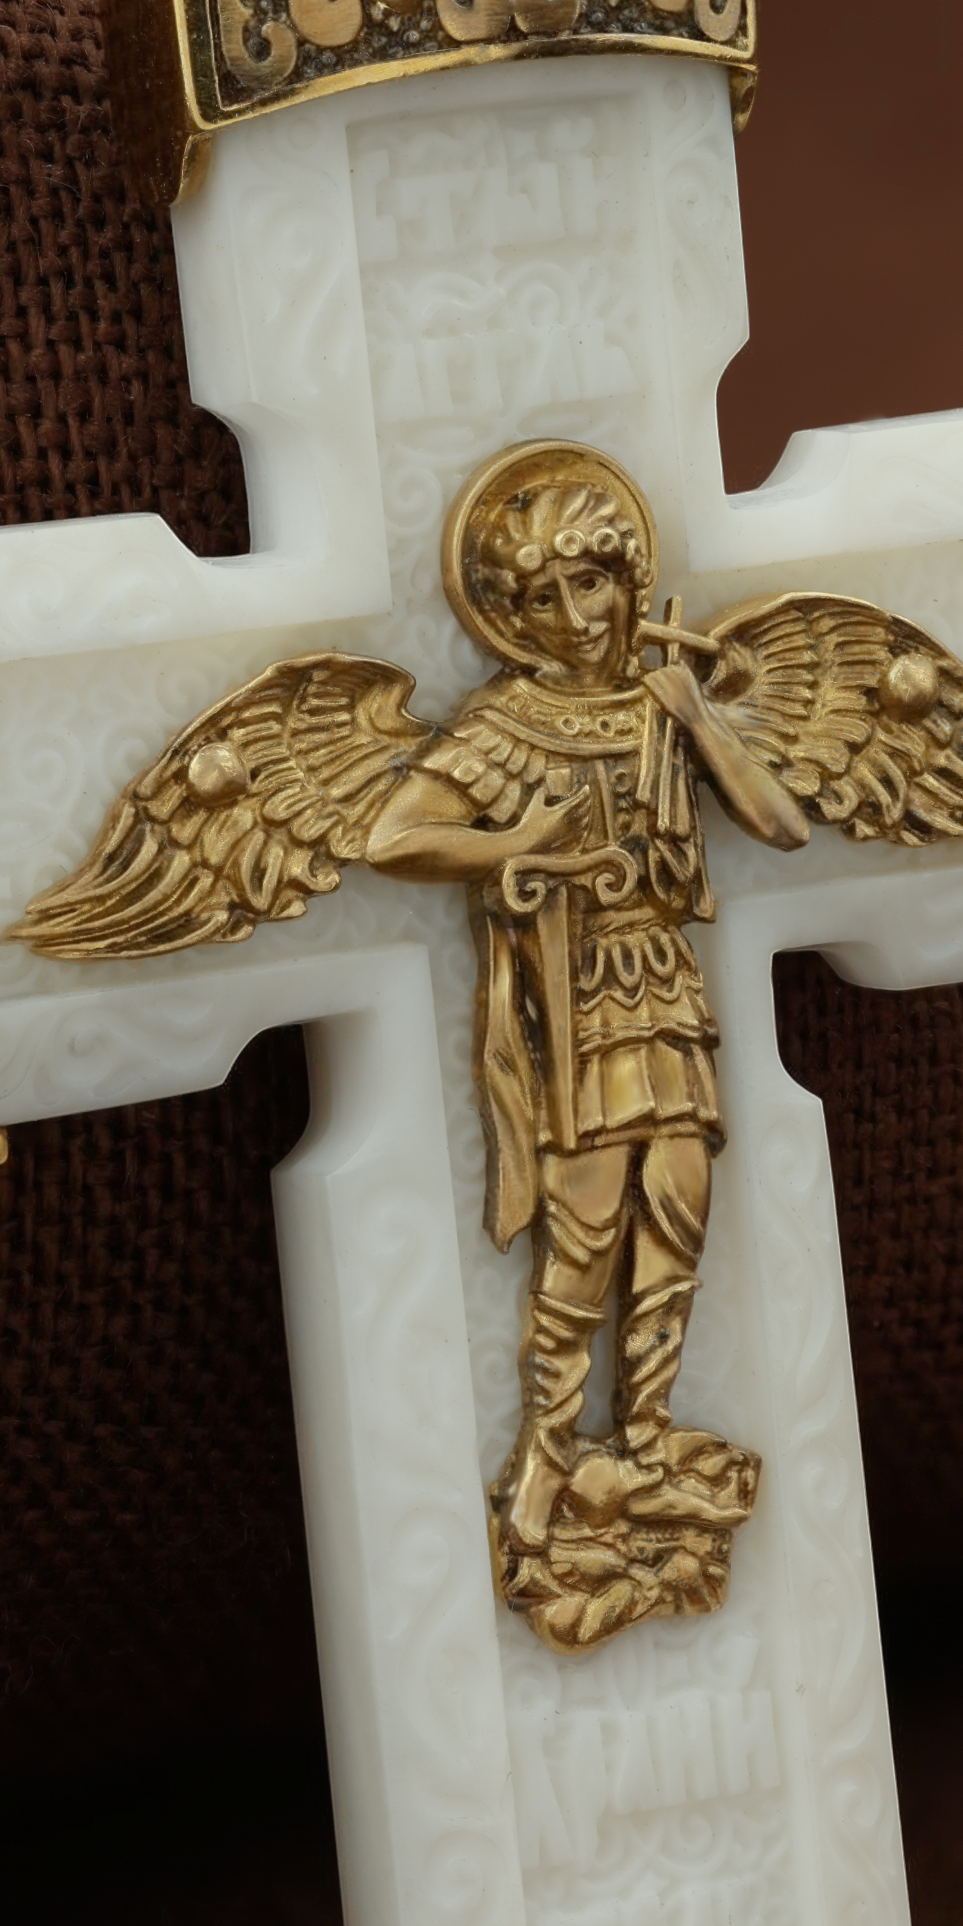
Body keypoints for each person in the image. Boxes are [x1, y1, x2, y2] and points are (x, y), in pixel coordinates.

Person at [366, 445, 808, 1614]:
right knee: (588, 1230)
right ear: (512, 615)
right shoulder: (506, 722)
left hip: (665, 987)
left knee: (680, 1209)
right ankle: (544, 1466)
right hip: (575, 1001)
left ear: (627, 581)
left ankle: (647, 1435)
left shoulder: (665, 704)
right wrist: (513, 845)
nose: (576, 618)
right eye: (545, 597)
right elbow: (394, 837)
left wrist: (696, 715)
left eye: (593, 585)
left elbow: (782, 824)